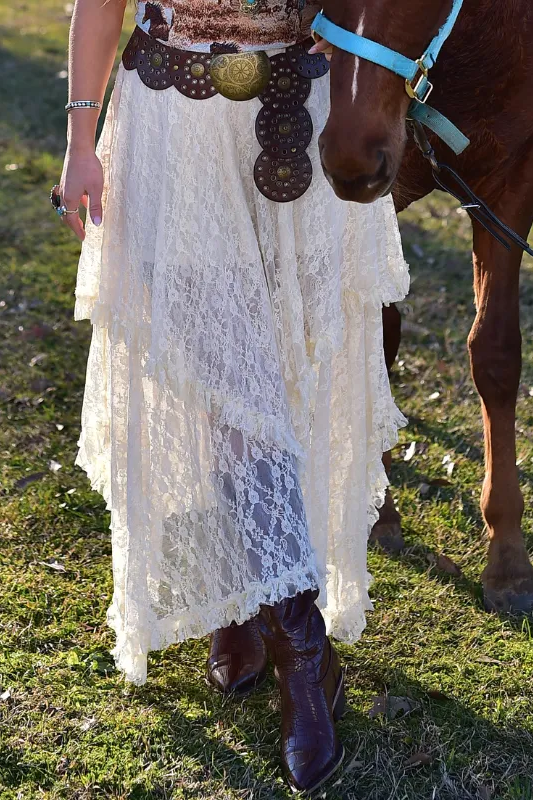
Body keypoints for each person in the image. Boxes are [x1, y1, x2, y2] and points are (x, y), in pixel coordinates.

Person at [53, 0, 409, 792]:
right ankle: (302, 658)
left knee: (284, 363)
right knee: (219, 365)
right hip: (170, 127)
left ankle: (244, 595)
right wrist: (81, 141)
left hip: (302, 113)